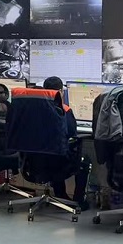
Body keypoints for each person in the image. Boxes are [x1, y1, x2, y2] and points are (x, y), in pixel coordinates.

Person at [43, 76, 90, 209]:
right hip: (60, 162)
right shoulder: (64, 110)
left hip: (34, 162)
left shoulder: (33, 109)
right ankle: (78, 200)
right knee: (84, 162)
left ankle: (60, 195)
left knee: (52, 155)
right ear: (60, 92)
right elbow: (72, 133)